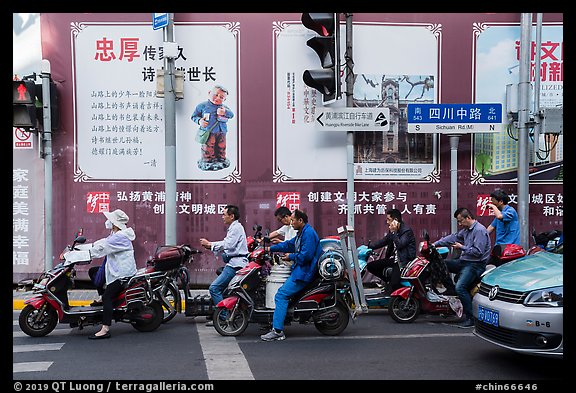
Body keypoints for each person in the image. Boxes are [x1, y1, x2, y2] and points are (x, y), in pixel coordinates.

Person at [260, 209, 322, 341]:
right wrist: (269, 249)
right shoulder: (301, 233)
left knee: (281, 295)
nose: (291, 222)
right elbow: (289, 244)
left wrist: (291, 256)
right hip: (300, 269)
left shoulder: (308, 234)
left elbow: (306, 256)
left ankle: (277, 331)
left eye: (293, 220)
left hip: (304, 272)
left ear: (300, 220)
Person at [433, 207, 491, 328]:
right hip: (464, 262)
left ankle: (470, 318)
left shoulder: (479, 230)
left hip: (475, 265)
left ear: (468, 218)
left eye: (460, 221)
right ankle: (450, 289)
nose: (459, 224)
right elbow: (453, 237)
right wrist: (434, 244)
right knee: (439, 264)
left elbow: (478, 252)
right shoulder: (466, 230)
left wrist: (462, 247)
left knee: (460, 287)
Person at [84, 209, 137, 339]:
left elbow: (103, 247)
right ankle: (101, 295)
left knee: (108, 297)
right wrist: (84, 248)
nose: (107, 222)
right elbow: (102, 242)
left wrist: (84, 253)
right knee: (93, 271)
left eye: (110, 220)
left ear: (114, 223)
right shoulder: (116, 234)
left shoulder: (120, 236)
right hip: (116, 270)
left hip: (122, 274)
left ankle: (105, 329)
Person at [200, 204, 248, 326]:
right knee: (224, 290)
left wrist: (210, 245)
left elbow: (229, 244)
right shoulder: (234, 227)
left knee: (214, 288)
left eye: (224, 215)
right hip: (233, 263)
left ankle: (223, 317)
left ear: (231, 216)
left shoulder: (236, 228)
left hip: (235, 265)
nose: (222, 217)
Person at [366, 208, 416, 297]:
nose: (387, 222)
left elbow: (400, 245)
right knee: (371, 266)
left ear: (395, 220)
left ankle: (394, 286)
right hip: (395, 259)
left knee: (392, 287)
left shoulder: (406, 231)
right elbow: (384, 241)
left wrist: (394, 233)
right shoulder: (393, 230)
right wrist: (370, 246)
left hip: (403, 261)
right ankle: (389, 281)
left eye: (389, 220)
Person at [191, 85, 235, 171]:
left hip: (222, 131)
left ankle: (221, 158)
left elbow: (232, 115)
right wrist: (200, 121)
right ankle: (208, 160)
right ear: (209, 93)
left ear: (224, 99)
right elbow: (194, 116)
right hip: (209, 131)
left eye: (221, 97)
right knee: (208, 146)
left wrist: (225, 112)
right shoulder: (202, 106)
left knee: (221, 146)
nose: (217, 98)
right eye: (216, 94)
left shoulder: (224, 107)